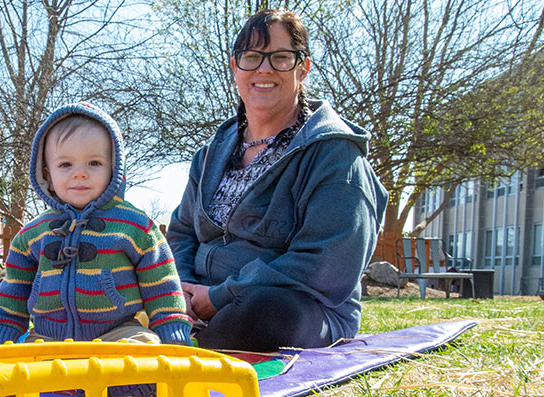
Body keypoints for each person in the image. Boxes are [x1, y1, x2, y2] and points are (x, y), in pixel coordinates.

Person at [166, 9, 388, 353]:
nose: (264, 69)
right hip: (197, 303)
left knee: (264, 313)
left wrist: (220, 296)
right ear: (235, 68)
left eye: (281, 58)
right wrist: (181, 289)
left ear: (303, 68)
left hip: (298, 309)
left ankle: (185, 356)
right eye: (252, 58)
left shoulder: (334, 153)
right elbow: (182, 232)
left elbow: (323, 264)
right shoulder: (211, 154)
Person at [0, 103, 192, 347]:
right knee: (24, 361)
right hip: (48, 337)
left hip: (117, 333)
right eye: (65, 165)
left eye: (94, 163)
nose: (80, 173)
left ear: (114, 168)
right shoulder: (32, 235)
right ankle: (57, 386)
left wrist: (173, 335)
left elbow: (163, 287)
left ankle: (128, 384)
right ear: (46, 174)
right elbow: (12, 297)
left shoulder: (135, 227)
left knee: (144, 345)